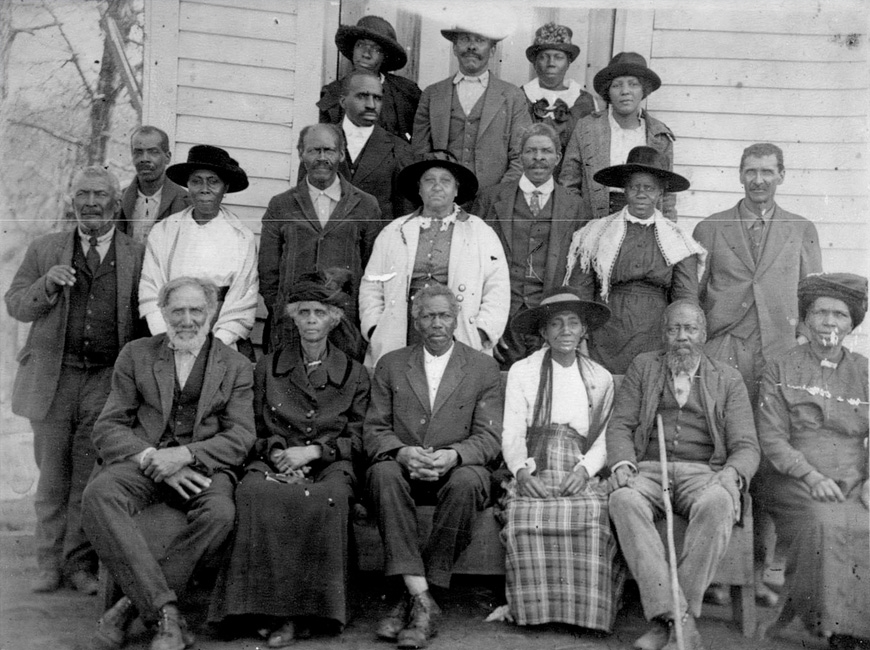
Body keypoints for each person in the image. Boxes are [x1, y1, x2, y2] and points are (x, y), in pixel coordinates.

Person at [81, 276, 255, 650]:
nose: (187, 320)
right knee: (100, 493)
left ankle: (129, 606)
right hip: (147, 463)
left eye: (196, 310)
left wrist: (186, 455)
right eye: (178, 310)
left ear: (212, 313)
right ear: (162, 312)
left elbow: (241, 436)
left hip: (202, 470)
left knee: (221, 514)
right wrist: (151, 456)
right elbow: (108, 426)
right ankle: (165, 614)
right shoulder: (136, 354)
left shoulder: (237, 365)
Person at [209, 274, 370, 647]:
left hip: (329, 463)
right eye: (303, 313)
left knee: (327, 498)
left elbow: (360, 438)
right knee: (252, 492)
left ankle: (306, 613)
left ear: (333, 319)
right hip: (275, 459)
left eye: (319, 313)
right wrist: (279, 451)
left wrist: (315, 452)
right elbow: (250, 426)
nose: (311, 320)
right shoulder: (267, 368)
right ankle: (253, 610)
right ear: (293, 319)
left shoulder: (355, 374)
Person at [5, 166, 144, 596]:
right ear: (72, 201)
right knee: (52, 476)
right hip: (54, 377)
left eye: (100, 194)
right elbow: (15, 305)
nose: (91, 202)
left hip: (105, 379)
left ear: (116, 201)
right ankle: (47, 565)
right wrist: (46, 285)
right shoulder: (45, 248)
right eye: (82, 194)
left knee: (89, 475)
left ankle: (79, 564)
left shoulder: (136, 253)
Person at [693, 142, 822, 604]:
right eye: (751, 171)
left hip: (778, 357)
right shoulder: (710, 228)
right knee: (721, 450)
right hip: (725, 352)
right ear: (740, 175)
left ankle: (764, 566)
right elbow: (695, 295)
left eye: (768, 172)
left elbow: (811, 301)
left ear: (782, 175)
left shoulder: (801, 229)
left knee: (770, 456)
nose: (759, 180)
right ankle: (717, 573)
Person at [607, 300, 759, 650]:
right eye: (674, 329)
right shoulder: (644, 367)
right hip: (648, 470)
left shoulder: (727, 378)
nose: (682, 337)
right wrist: (623, 464)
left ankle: (669, 621)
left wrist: (732, 473)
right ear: (664, 335)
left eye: (690, 330)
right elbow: (621, 426)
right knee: (622, 499)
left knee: (721, 501)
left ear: (703, 336)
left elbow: (747, 445)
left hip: (704, 472)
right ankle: (680, 620)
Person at [363, 284, 503, 649]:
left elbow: (489, 437)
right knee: (381, 473)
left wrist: (453, 456)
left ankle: (414, 596)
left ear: (456, 319)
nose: (436, 323)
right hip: (405, 469)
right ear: (415, 320)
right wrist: (402, 452)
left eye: (443, 315)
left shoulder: (483, 367)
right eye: (427, 316)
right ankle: (423, 599)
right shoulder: (392, 364)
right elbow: (374, 429)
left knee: (470, 481)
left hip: (455, 470)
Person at [755, 273, 869, 650]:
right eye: (821, 313)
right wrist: (810, 474)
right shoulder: (780, 367)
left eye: (839, 315)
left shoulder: (865, 371)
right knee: (825, 520)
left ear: (852, 323)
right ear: (805, 320)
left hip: (853, 477)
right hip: (792, 477)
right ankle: (837, 630)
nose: (830, 323)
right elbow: (771, 437)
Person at [500, 288, 625, 631]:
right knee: (524, 517)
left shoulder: (599, 378)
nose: (565, 330)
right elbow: (512, 432)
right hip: (536, 464)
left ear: (584, 329)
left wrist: (585, 471)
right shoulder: (522, 372)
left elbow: (602, 439)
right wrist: (522, 472)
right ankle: (534, 612)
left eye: (573, 323)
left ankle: (586, 616)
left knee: (593, 516)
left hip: (578, 465)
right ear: (543, 332)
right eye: (556, 323)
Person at [359, 151, 509, 369]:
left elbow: (497, 288)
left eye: (445, 181)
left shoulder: (480, 232)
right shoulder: (394, 231)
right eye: (429, 181)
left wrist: (482, 331)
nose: (437, 187)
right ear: (419, 189)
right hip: (403, 330)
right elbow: (372, 285)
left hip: (456, 331)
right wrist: (375, 328)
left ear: (456, 189)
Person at [563, 146, 704, 375]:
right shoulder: (596, 233)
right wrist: (581, 335)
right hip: (605, 334)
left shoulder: (679, 241)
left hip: (655, 335)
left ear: (660, 193)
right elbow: (581, 291)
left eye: (649, 188)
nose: (641, 194)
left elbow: (685, 299)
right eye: (634, 187)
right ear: (624, 191)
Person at [471, 123, 589, 366]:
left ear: (557, 157)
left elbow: (581, 271)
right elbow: (473, 262)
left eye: (546, 151)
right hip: (502, 315)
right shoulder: (491, 199)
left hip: (549, 316)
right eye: (531, 151)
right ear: (520, 155)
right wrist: (486, 324)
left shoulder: (575, 206)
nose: (538, 158)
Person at [259, 123, 382, 354]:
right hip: (292, 323)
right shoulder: (281, 205)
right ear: (301, 154)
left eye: (329, 150)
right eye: (314, 150)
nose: (322, 158)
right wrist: (283, 309)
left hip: (344, 323)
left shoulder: (365, 205)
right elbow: (268, 269)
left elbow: (371, 269)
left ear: (342, 154)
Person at [138, 144, 258, 357]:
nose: (204, 189)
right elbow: (150, 288)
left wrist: (216, 343)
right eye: (196, 181)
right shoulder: (164, 231)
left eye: (213, 182)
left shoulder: (241, 236)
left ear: (225, 187)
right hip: (171, 337)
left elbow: (243, 298)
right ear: (188, 186)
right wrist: (168, 337)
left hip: (219, 341)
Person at [412, 23, 532, 195]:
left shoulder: (513, 96)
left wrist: (496, 197)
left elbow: (520, 157)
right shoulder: (432, 94)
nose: (471, 46)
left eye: (480, 40)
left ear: (492, 51)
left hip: (493, 202)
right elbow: (419, 155)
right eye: (465, 39)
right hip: (442, 199)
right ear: (454, 47)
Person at [559, 52, 676, 221]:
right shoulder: (587, 128)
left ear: (644, 90)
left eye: (633, 84)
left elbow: (668, 195)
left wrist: (669, 231)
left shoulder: (659, 135)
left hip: (645, 222)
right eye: (617, 85)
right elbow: (569, 184)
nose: (625, 91)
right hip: (594, 219)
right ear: (608, 91)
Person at [318, 15, 421, 142]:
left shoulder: (406, 93)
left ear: (385, 57)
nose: (366, 54)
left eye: (376, 50)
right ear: (353, 49)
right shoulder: (333, 94)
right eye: (360, 45)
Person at [333, 69, 415, 221]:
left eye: (377, 98)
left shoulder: (400, 150)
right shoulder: (320, 141)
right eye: (362, 96)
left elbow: (404, 216)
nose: (371, 105)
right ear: (343, 101)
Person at [521, 22, 596, 176]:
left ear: (568, 63)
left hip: (570, 185)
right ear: (535, 63)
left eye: (558, 57)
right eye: (544, 57)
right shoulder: (519, 97)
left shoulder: (585, 102)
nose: (551, 64)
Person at [117, 126, 190, 243]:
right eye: (138, 152)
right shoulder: (119, 200)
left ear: (167, 157)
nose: (144, 159)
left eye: (153, 152)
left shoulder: (186, 203)